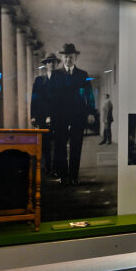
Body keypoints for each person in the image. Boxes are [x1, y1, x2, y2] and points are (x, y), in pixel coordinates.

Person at [54, 43, 95, 186]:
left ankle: (74, 177)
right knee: (60, 147)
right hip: (60, 117)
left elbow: (89, 95)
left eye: (70, 57)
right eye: (65, 57)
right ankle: (64, 177)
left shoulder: (83, 75)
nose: (68, 59)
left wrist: (90, 112)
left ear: (75, 57)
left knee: (76, 146)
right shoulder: (56, 74)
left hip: (78, 116)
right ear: (62, 57)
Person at [31, 53, 62, 174]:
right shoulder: (39, 80)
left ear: (57, 64)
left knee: (58, 143)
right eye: (49, 62)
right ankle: (47, 167)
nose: (51, 64)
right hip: (42, 116)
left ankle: (56, 168)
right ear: (45, 65)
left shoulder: (62, 79)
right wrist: (33, 116)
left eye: (54, 62)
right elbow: (34, 99)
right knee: (45, 143)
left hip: (58, 116)